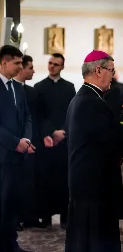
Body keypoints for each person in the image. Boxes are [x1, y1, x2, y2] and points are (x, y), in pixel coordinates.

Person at [64, 50, 123, 252]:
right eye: (111, 71)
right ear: (98, 70)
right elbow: (112, 141)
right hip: (94, 188)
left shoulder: (81, 98)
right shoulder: (92, 103)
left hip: (85, 184)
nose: (113, 77)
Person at [34, 53, 76, 228]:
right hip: (47, 140)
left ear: (62, 67)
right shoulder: (39, 87)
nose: (52, 66)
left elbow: (72, 112)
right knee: (46, 179)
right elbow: (38, 114)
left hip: (64, 140)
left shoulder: (69, 87)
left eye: (56, 64)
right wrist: (52, 132)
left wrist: (63, 132)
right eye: (50, 63)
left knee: (64, 179)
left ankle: (65, 216)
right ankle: (45, 217)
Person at [13, 55, 54, 229]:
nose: (34, 71)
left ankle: (30, 216)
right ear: (21, 68)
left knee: (32, 181)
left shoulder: (32, 92)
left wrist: (44, 135)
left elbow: (39, 117)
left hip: (33, 142)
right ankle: (14, 218)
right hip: (13, 143)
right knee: (14, 182)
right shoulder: (9, 90)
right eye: (30, 67)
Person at [0, 45, 33, 252]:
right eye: (17, 63)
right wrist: (15, 142)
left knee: (13, 201)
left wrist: (26, 139)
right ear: (4, 62)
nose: (20, 67)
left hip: (19, 155)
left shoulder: (18, 88)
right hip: (2, 155)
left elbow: (27, 116)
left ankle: (11, 243)